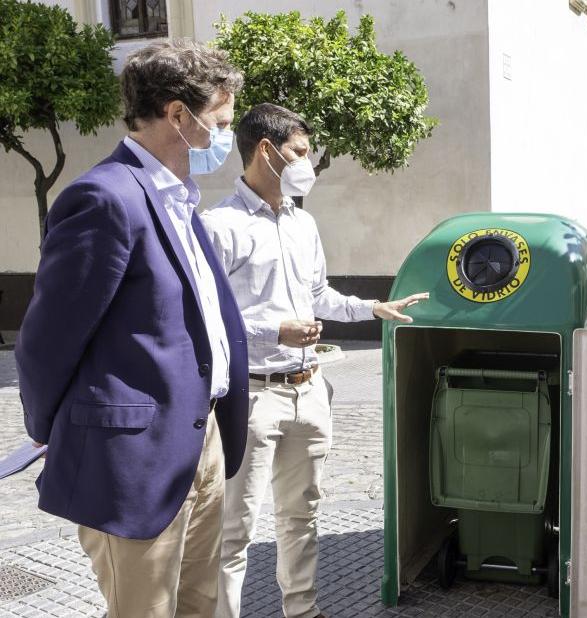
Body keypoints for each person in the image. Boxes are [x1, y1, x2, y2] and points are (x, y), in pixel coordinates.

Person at [15, 40, 248, 616]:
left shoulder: (180, 200)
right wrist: (51, 428)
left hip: (204, 439)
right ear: (178, 115)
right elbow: (47, 342)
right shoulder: (105, 197)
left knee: (201, 604)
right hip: (135, 457)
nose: (224, 136)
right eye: (219, 122)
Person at [201, 103, 428, 618]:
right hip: (252, 396)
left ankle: (302, 611)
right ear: (267, 150)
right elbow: (207, 315)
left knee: (301, 516)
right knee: (234, 528)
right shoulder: (220, 225)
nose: (308, 162)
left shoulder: (303, 222)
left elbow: (318, 293)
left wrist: (371, 308)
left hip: (309, 388)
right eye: (300, 151)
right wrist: (272, 329)